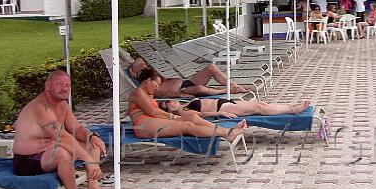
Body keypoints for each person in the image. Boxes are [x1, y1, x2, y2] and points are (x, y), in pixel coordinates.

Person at [13, 71, 113, 189]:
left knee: (93, 144)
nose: (65, 88)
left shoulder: (63, 105)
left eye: (67, 85)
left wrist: (92, 136)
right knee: (61, 153)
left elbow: (76, 129)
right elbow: (62, 136)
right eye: (59, 84)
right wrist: (89, 160)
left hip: (49, 152)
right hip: (27, 161)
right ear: (47, 86)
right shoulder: (42, 106)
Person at [128, 68, 247, 141]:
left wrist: (177, 114)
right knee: (187, 126)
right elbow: (152, 112)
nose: (157, 88)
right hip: (142, 124)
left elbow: (155, 111)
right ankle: (227, 133)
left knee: (192, 117)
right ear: (148, 81)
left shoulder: (148, 93)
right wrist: (175, 117)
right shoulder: (138, 92)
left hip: (151, 120)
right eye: (156, 84)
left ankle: (225, 130)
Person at [127, 57, 249, 98]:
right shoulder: (150, 86)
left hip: (187, 82)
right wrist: (180, 95)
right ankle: (227, 90)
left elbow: (138, 60)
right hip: (182, 91)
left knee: (211, 68)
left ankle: (233, 85)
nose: (143, 67)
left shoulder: (150, 75)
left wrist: (139, 67)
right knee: (200, 89)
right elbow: (163, 94)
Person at [162, 97, 311, 118]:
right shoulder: (183, 111)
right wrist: (222, 114)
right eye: (167, 105)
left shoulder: (185, 103)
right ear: (170, 110)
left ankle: (290, 106)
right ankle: (292, 110)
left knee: (261, 104)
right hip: (223, 108)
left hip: (225, 102)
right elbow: (201, 115)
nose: (171, 103)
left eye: (169, 101)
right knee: (259, 108)